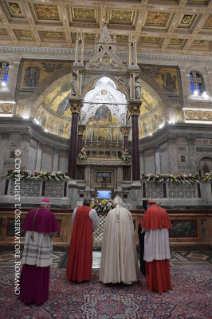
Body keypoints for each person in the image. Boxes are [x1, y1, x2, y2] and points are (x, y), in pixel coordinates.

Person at [20, 198, 60, 305]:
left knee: (29, 266)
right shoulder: (49, 214)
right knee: (40, 268)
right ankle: (38, 296)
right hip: (43, 244)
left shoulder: (31, 212)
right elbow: (53, 231)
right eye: (49, 206)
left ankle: (25, 294)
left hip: (30, 244)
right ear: (47, 206)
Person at [99, 195, 139, 284]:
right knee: (125, 253)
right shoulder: (127, 212)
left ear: (113, 203)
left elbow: (106, 229)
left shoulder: (111, 213)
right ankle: (127, 276)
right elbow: (131, 229)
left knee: (113, 252)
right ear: (121, 203)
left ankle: (111, 277)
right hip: (125, 239)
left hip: (112, 239)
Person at [141, 199, 172, 293]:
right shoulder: (163, 210)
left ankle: (154, 283)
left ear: (148, 205)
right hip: (162, 239)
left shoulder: (149, 211)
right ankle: (164, 283)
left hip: (153, 239)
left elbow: (145, 227)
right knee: (162, 258)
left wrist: (141, 225)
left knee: (153, 257)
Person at [66, 198, 99, 282]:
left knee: (75, 251)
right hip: (86, 234)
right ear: (90, 204)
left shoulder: (76, 209)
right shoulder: (92, 211)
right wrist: (90, 230)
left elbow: (73, 221)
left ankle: (73, 274)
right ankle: (84, 275)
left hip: (76, 234)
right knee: (85, 252)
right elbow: (95, 224)